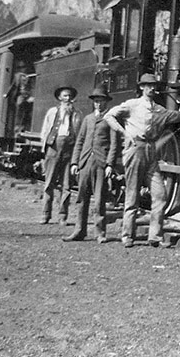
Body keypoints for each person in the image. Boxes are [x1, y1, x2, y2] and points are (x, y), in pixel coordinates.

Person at [104, 74, 180, 248]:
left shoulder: (159, 110)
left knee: (160, 195)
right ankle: (127, 236)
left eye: (153, 85)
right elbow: (109, 116)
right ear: (142, 87)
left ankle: (155, 236)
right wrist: (124, 133)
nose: (152, 88)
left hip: (151, 153)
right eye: (148, 85)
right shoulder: (132, 105)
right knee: (132, 194)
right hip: (135, 150)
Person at [62, 85, 120, 243]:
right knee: (82, 198)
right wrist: (75, 162)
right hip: (85, 162)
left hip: (100, 163)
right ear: (93, 103)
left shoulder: (110, 119)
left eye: (101, 101)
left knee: (100, 198)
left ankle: (100, 233)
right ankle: (79, 231)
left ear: (106, 102)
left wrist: (109, 164)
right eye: (96, 101)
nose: (99, 104)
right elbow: (80, 141)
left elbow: (114, 144)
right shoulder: (87, 119)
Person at [39, 86, 83, 225]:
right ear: (59, 98)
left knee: (67, 185)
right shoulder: (52, 112)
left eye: (70, 96)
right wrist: (45, 147)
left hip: (69, 149)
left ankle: (62, 216)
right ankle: (45, 215)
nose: (68, 98)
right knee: (49, 183)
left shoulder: (77, 113)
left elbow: (79, 133)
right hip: (54, 147)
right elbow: (45, 130)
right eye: (65, 96)